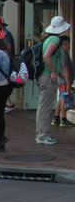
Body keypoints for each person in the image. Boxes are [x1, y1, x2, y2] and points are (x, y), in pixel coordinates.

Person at [36, 16, 71, 145]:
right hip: (47, 76)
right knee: (45, 106)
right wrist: (54, 72)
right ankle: (43, 135)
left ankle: (40, 133)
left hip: (44, 76)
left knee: (42, 105)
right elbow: (47, 56)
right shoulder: (55, 39)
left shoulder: (48, 39)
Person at [53, 35, 74, 128]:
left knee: (61, 98)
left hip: (61, 80)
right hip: (65, 81)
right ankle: (64, 119)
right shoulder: (64, 55)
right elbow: (66, 70)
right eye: (65, 44)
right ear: (61, 45)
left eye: (68, 44)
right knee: (64, 99)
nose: (68, 46)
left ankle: (56, 117)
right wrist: (69, 84)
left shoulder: (60, 54)